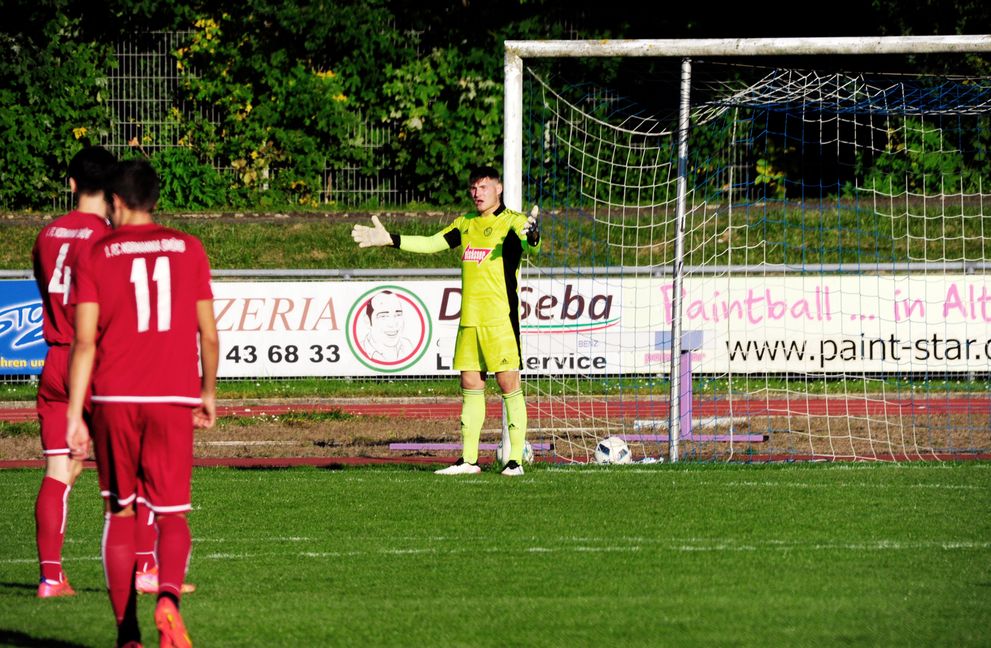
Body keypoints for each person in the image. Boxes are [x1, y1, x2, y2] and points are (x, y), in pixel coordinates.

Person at [66, 159, 218, 648]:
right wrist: (208, 390)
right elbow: (208, 334)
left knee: (121, 515)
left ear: (115, 200)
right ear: (153, 199)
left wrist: (75, 416)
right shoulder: (188, 247)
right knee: (172, 514)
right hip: (172, 396)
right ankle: (169, 599)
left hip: (115, 397)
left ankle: (127, 633)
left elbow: (84, 342)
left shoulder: (97, 252)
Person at [352, 165, 540, 476]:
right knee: (470, 384)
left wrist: (532, 234)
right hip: (469, 319)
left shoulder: (513, 222)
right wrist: (391, 240)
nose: (476, 193)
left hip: (500, 320)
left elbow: (529, 240)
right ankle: (468, 461)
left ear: (499, 188)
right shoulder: (465, 224)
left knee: (508, 383)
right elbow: (431, 243)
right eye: (473, 188)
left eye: (483, 187)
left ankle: (514, 461)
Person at [30, 145, 116, 598]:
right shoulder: (109, 239)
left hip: (55, 359)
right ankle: (142, 569)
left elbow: (49, 291)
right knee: (128, 471)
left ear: (72, 184)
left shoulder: (46, 235)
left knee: (58, 471)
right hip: (97, 361)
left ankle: (50, 578)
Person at [361, 289, 415, 362]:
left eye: (398, 314)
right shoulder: (359, 350)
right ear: (367, 321)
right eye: (383, 316)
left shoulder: (408, 346)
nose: (392, 324)